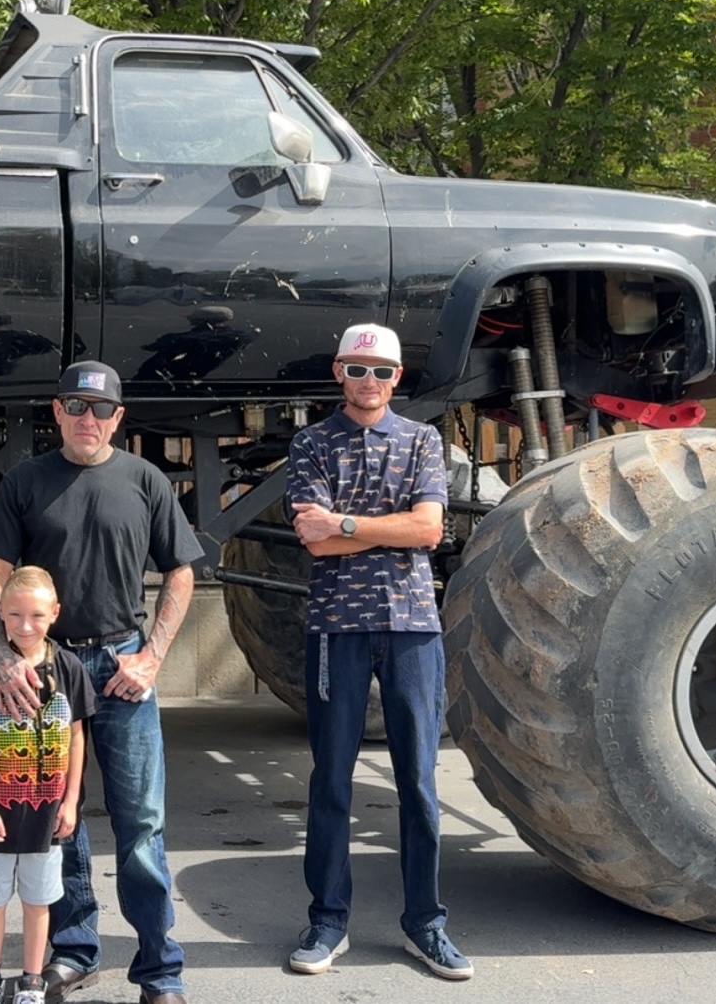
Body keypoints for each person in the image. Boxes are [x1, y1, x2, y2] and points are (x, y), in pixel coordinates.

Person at [0, 360, 204, 1004]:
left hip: (122, 668)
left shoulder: (145, 480)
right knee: (58, 820)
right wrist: (2, 654)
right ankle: (75, 951)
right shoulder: (26, 481)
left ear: (118, 418)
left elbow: (181, 572)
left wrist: (152, 658)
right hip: (49, 674)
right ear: (57, 412)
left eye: (101, 410)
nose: (88, 419)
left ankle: (161, 971)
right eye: (76, 407)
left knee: (141, 824)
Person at [282, 323, 471, 981]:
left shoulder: (422, 441)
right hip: (337, 629)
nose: (370, 382)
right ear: (339, 371)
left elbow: (429, 528)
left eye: (382, 371)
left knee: (418, 782)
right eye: (358, 369)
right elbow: (313, 539)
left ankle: (426, 923)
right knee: (331, 781)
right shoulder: (310, 444)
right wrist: (385, 533)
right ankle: (327, 921)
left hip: (413, 627)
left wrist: (348, 524)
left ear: (397, 378)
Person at [0, 568, 98, 1004]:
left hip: (47, 815)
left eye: (36, 615)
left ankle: (32, 978)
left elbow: (76, 736)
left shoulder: (68, 667)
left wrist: (71, 802)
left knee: (39, 901)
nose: (25, 625)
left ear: (55, 613)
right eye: (14, 615)